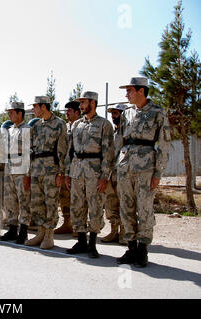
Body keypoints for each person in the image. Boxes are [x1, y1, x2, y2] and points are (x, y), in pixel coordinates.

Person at [116, 77, 171, 267]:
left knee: (145, 209)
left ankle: (143, 250)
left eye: (130, 90)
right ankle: (131, 247)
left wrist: (158, 173)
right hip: (125, 166)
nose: (126, 94)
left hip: (146, 168)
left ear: (141, 91)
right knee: (126, 207)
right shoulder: (127, 113)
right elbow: (119, 141)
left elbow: (164, 144)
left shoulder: (157, 112)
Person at [65, 91, 115, 258]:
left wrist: (104, 176)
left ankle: (92, 243)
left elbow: (108, 152)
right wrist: (67, 173)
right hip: (76, 170)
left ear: (93, 103)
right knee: (77, 206)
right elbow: (70, 151)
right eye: (80, 102)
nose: (81, 105)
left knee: (95, 207)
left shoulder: (104, 124)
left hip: (94, 172)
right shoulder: (76, 124)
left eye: (84, 102)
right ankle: (81, 241)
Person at [25, 96, 68, 250]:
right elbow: (32, 151)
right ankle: (41, 232)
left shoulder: (59, 124)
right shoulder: (36, 126)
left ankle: (49, 235)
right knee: (36, 203)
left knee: (51, 203)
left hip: (52, 169)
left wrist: (61, 172)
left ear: (44, 107)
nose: (33, 109)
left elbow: (63, 150)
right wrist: (29, 173)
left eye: (35, 106)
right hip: (37, 169)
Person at [0, 102, 32, 245]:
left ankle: (23, 231)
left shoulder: (28, 129)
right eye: (9, 112)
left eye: (12, 112)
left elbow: (30, 153)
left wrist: (27, 174)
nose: (9, 115)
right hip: (10, 166)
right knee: (10, 199)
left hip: (21, 167)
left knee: (23, 199)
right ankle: (12, 228)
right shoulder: (10, 130)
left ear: (20, 113)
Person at [101, 104, 127, 244]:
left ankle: (124, 232)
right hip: (110, 174)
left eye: (116, 113)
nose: (113, 116)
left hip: (123, 173)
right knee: (111, 202)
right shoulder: (112, 133)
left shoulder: (128, 132)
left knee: (124, 202)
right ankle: (113, 231)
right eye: (112, 114)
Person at [55, 100, 81, 236]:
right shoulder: (65, 127)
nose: (66, 113)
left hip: (78, 168)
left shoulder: (82, 126)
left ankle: (78, 226)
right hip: (65, 167)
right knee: (64, 196)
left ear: (77, 112)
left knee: (78, 197)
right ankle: (67, 223)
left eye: (69, 111)